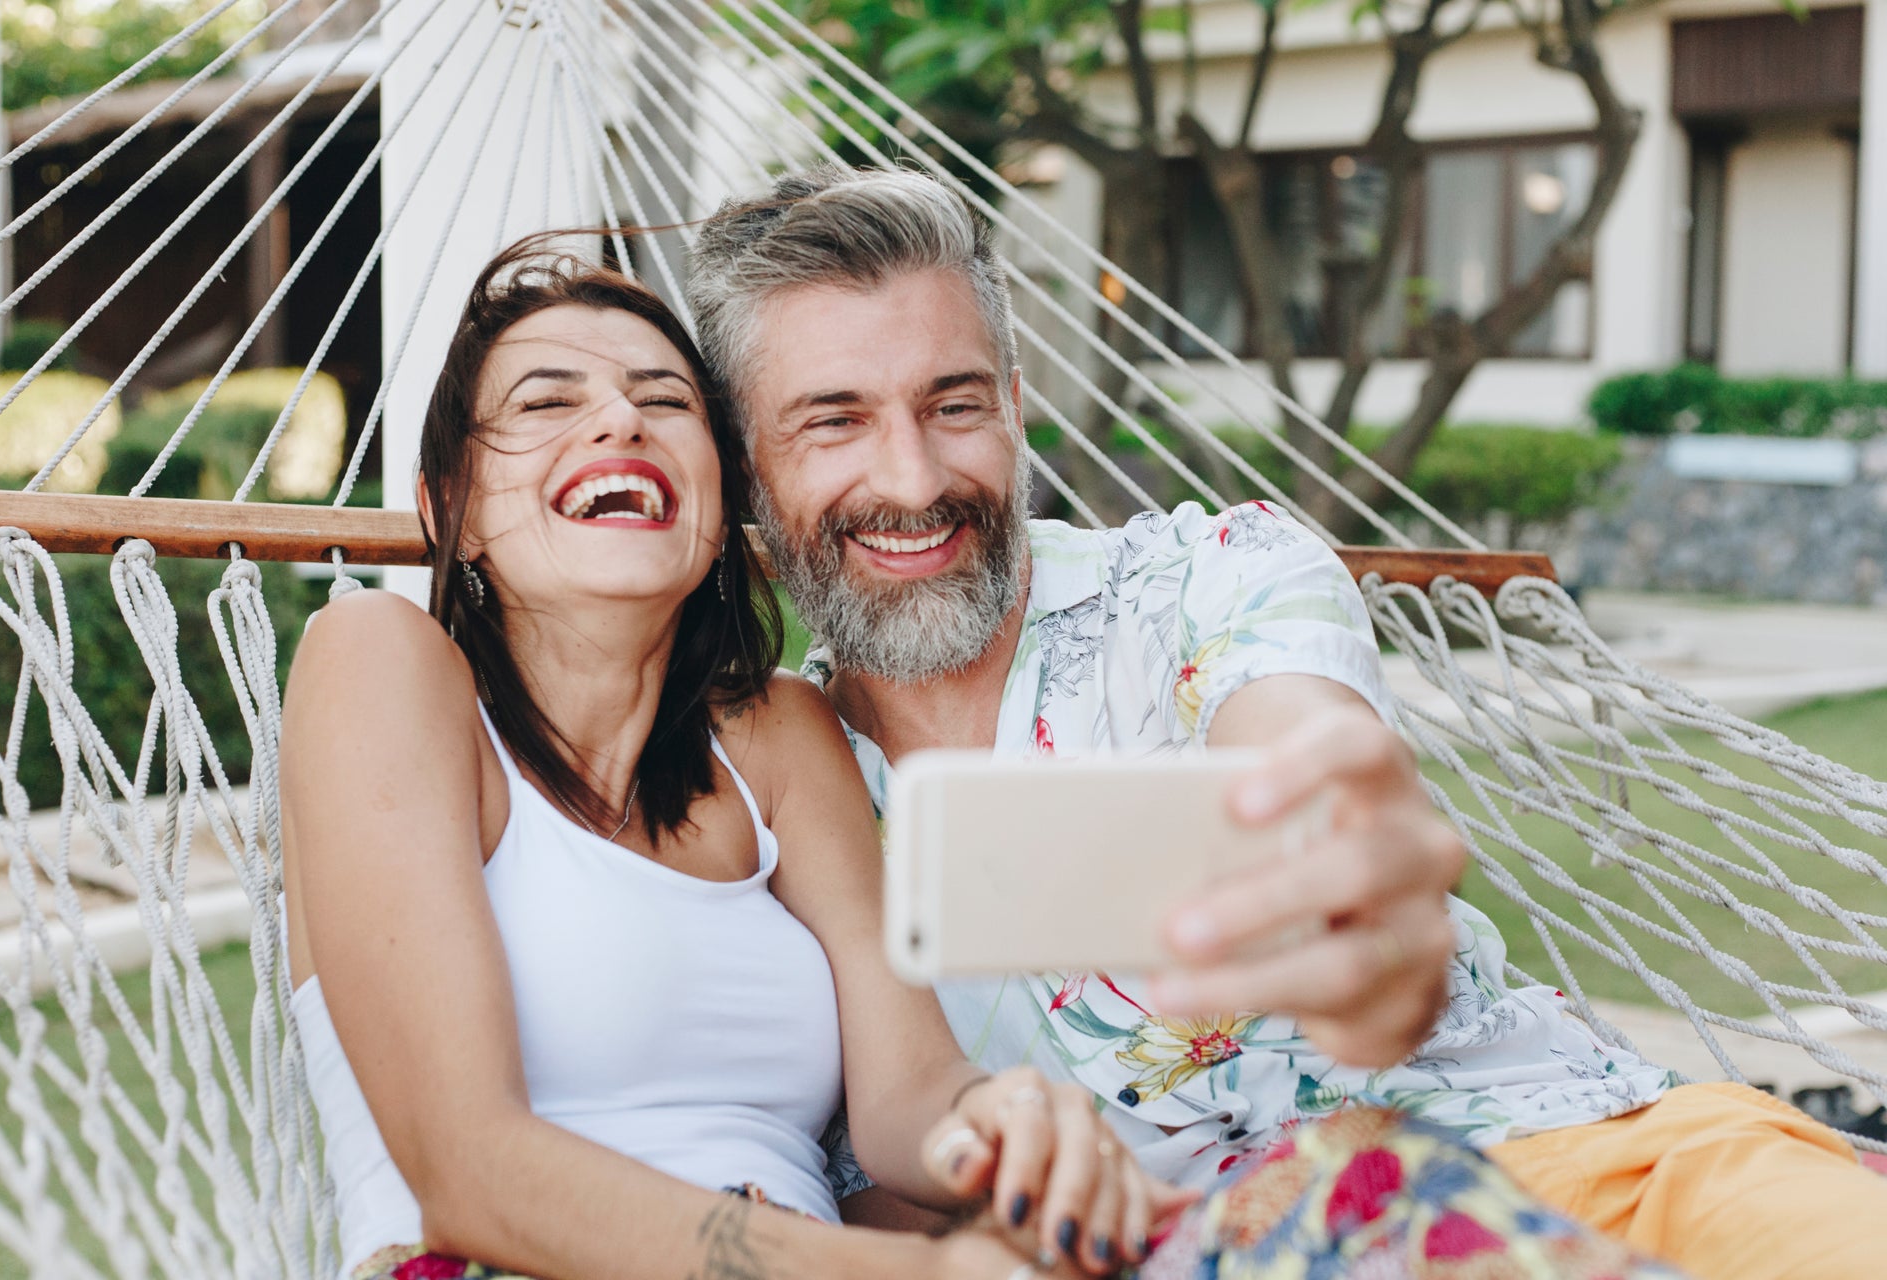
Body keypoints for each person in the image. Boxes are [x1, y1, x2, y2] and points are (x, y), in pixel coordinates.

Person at [278, 237, 1678, 1280]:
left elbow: (907, 1099)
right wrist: (923, 1273)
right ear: (447, 507)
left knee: (1376, 1192)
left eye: (661, 398)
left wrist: (1004, 1124)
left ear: (725, 501)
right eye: (544, 403)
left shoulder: (779, 733)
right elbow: (463, 1169)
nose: (618, 421)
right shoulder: (384, 667)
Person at [684, 164, 1887, 1280]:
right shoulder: (770, 790)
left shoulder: (1215, 578)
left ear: (1010, 404)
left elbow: (1311, 758)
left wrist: (1371, 921)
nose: (910, 478)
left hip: (1574, 1151)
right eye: (833, 421)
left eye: (951, 404)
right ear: (747, 470)